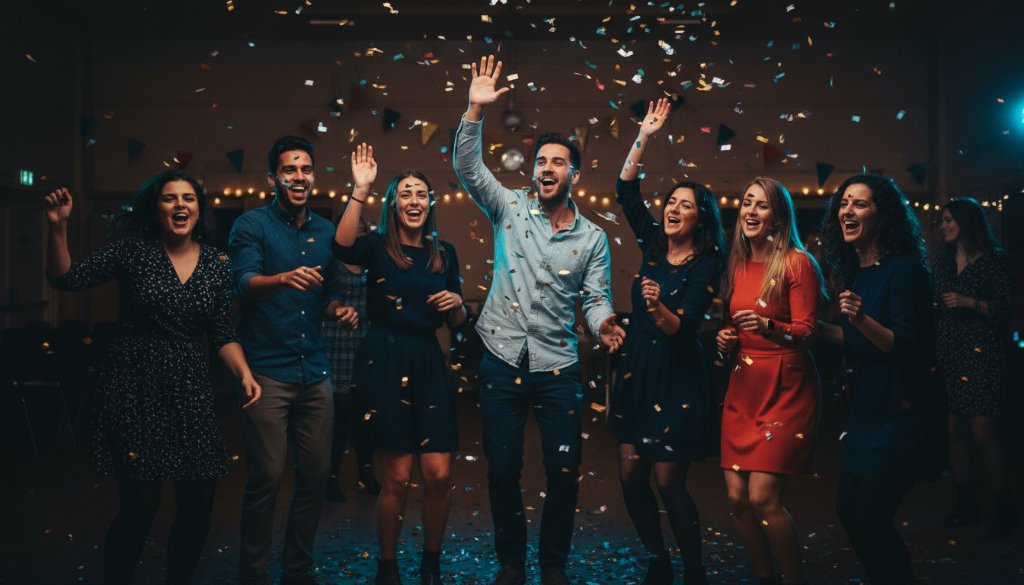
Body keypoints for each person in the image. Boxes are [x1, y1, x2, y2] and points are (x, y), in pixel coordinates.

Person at [453, 55, 626, 585]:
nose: (547, 168)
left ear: (574, 173)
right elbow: (467, 167)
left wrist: (604, 322)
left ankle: (552, 565)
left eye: (558, 162)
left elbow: (594, 298)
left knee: (565, 472)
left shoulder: (593, 238)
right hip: (502, 361)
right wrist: (475, 111)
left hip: (558, 368)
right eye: (541, 161)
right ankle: (511, 563)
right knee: (503, 471)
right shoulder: (508, 207)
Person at [44, 171, 261, 585]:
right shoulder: (131, 251)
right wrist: (58, 228)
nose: (180, 205)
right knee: (140, 508)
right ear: (156, 208)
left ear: (199, 208)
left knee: (198, 505)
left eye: (188, 198)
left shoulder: (218, 264)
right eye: (169, 199)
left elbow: (222, 333)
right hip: (135, 386)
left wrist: (244, 373)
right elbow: (66, 279)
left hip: (190, 390)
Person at [334, 143, 467, 585]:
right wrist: (361, 189)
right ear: (394, 204)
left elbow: (460, 319)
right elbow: (341, 246)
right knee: (397, 476)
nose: (414, 200)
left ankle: (430, 564)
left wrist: (457, 304)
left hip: (428, 360)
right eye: (405, 193)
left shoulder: (442, 252)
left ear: (430, 204)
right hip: (385, 359)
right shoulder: (375, 247)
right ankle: (387, 568)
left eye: (421, 194)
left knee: (440, 474)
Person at [230, 136, 358, 585]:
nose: (299, 177)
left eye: (305, 169)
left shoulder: (326, 231)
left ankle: (297, 571)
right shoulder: (251, 226)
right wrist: (282, 278)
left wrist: (338, 309)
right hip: (267, 371)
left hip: (315, 373)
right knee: (265, 479)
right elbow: (244, 283)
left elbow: (324, 296)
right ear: (273, 178)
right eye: (290, 170)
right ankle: (254, 574)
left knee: (316, 478)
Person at [609, 98, 725, 585]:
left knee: (668, 480)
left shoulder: (708, 264)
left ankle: (693, 568)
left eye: (686, 206)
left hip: (677, 374)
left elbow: (685, 327)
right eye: (671, 203)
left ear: (701, 219)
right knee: (631, 475)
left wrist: (656, 307)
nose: (675, 209)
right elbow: (625, 189)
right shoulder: (654, 243)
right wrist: (644, 136)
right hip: (637, 366)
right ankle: (658, 557)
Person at [818, 174, 942, 585]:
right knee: (849, 510)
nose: (847, 211)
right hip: (865, 409)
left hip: (901, 408)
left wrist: (859, 317)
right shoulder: (855, 273)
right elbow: (855, 340)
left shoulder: (905, 273)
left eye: (860, 204)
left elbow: (904, 346)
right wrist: (806, 329)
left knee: (871, 513)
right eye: (844, 203)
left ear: (882, 215)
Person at [715, 177, 825, 585]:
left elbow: (809, 331)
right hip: (744, 385)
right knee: (736, 500)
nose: (750, 212)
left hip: (786, 385)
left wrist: (769, 326)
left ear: (778, 216)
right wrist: (725, 338)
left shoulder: (798, 262)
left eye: (761, 206)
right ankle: (765, 577)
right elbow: (732, 322)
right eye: (746, 203)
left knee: (763, 498)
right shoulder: (737, 263)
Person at [934, 197, 1016, 536]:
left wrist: (970, 302)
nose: (943, 226)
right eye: (942, 221)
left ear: (967, 222)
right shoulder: (942, 262)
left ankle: (1004, 504)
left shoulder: (995, 261)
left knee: (983, 432)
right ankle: (966, 501)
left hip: (983, 355)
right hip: (950, 354)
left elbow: (1005, 310)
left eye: (949, 220)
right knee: (955, 432)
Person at [324, 213, 381, 502]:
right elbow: (326, 299)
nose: (357, 235)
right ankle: (331, 478)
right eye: (352, 230)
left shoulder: (372, 261)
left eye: (362, 230)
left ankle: (366, 474)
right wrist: (337, 311)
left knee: (366, 414)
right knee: (339, 416)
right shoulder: (333, 260)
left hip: (367, 341)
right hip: (337, 341)